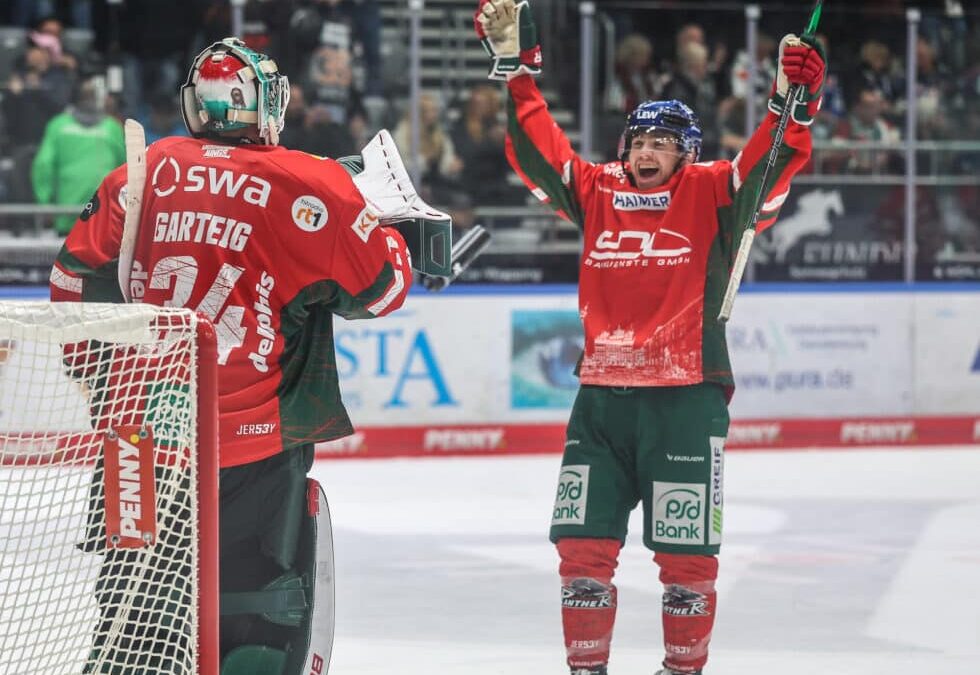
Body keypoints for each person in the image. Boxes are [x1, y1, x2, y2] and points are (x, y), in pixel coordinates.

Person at [49, 37, 448, 674]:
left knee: (133, 612)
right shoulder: (307, 181)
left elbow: (71, 283)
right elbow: (382, 290)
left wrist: (100, 381)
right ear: (263, 106)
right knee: (253, 606)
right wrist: (378, 216)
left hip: (137, 437)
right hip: (251, 443)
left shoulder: (137, 174)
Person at [475, 2, 825, 674]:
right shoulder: (600, 190)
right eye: (637, 141)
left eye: (660, 143)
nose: (643, 152)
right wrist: (518, 76)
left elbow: (767, 168)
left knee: (687, 559)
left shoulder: (713, 192)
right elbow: (540, 155)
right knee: (580, 549)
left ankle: (681, 669)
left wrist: (793, 103)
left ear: (686, 153)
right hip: (601, 400)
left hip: (686, 398)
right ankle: (586, 667)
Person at [32, 75, 125, 235]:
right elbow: (125, 171)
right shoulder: (112, 127)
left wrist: (45, 202)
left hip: (66, 216)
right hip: (103, 219)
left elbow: (43, 166)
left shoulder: (58, 125)